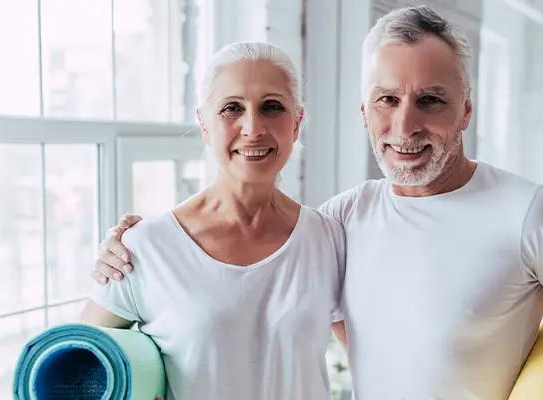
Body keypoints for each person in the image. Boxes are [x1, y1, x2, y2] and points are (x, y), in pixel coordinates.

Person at [94, 6, 543, 400]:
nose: (405, 125)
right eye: (386, 99)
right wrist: (124, 249)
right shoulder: (340, 219)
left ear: (465, 110)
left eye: (431, 100)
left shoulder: (530, 212)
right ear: (364, 111)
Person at [80, 42, 345, 400]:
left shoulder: (327, 238)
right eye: (231, 109)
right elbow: (73, 369)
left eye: (271, 107)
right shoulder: (145, 247)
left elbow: (371, 357)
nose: (253, 128)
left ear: (296, 123)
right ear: (204, 124)